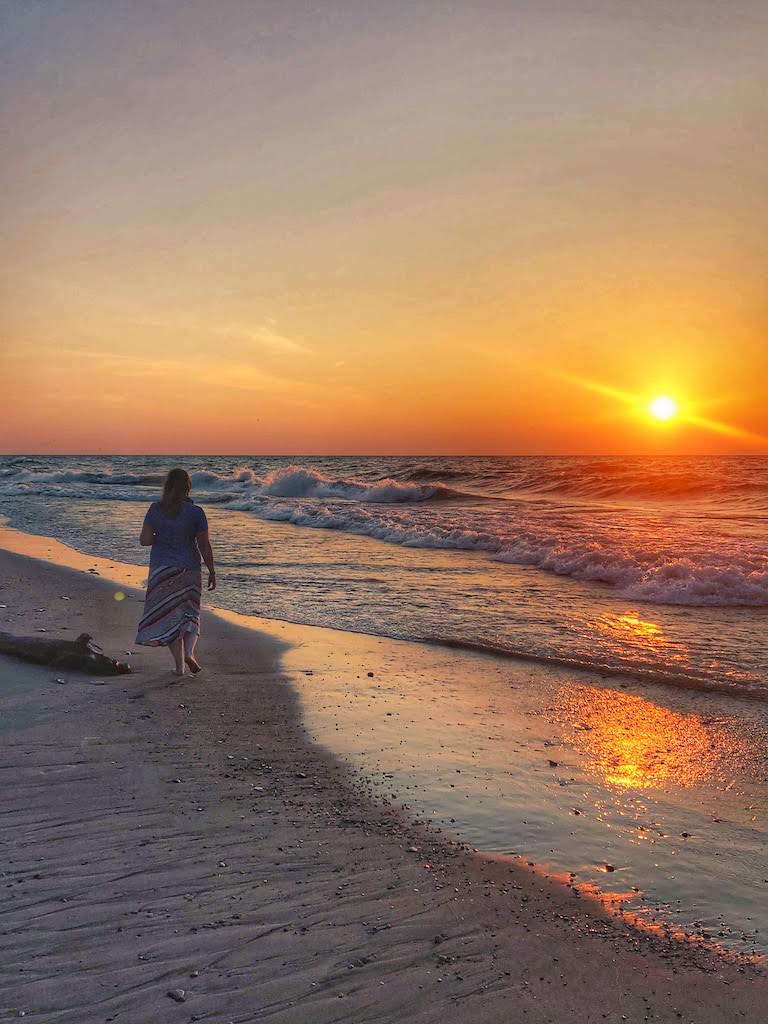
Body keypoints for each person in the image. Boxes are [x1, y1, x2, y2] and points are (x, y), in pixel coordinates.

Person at [136, 468, 216, 675]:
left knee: (171, 617)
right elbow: (204, 546)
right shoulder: (196, 512)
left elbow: (145, 541)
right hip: (189, 569)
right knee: (190, 614)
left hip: (161, 569)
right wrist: (212, 571)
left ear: (167, 486)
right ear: (188, 487)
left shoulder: (155, 509)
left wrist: (160, 534)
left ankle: (179, 668)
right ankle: (190, 653)